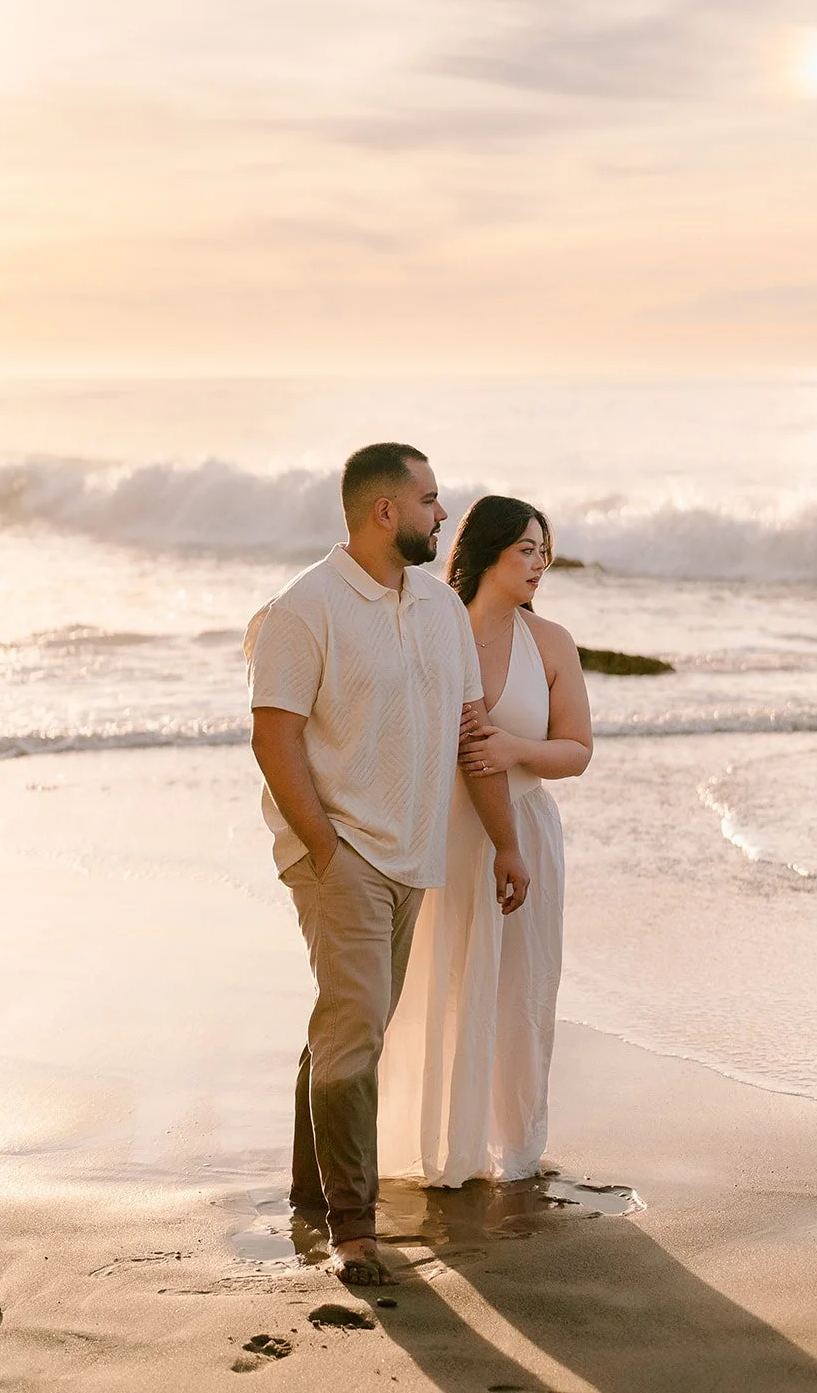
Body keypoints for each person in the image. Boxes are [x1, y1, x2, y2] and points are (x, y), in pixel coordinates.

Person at [243, 445, 528, 1286]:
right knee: (358, 1025)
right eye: (430, 500)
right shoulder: (304, 609)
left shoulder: (440, 610)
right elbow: (274, 735)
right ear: (383, 513)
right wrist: (326, 849)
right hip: (342, 852)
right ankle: (353, 1229)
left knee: (349, 1020)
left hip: (414, 854)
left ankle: (306, 1187)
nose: (444, 515)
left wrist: (505, 840)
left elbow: (473, 732)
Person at [378, 495, 592, 1187]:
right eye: (524, 551)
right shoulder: (434, 631)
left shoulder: (551, 642)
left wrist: (512, 749)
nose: (538, 565)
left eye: (543, 552)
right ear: (484, 555)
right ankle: (439, 1149)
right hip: (446, 832)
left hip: (524, 827)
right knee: (439, 985)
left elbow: (576, 751)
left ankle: (516, 1150)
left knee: (522, 991)